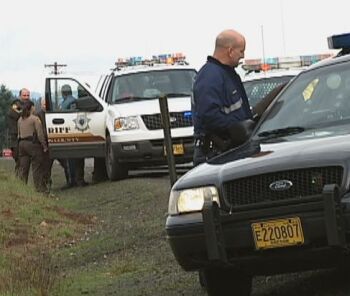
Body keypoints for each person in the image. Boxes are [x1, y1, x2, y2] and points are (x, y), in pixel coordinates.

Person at [192, 29, 255, 166]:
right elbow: (209, 115)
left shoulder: (226, 74)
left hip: (229, 150)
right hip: (215, 154)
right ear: (230, 50)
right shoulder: (210, 76)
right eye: (241, 51)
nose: (243, 55)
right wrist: (239, 128)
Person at [36, 97, 71, 191]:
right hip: (47, 144)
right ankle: (46, 184)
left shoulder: (54, 112)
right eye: (44, 104)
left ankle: (70, 181)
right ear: (41, 105)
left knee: (66, 163)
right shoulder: (38, 115)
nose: (46, 106)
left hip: (57, 142)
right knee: (46, 166)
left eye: (47, 104)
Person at [17, 100, 48, 192]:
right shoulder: (35, 119)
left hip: (22, 144)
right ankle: (39, 189)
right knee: (37, 167)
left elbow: (18, 134)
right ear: (31, 108)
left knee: (23, 168)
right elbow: (40, 134)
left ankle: (21, 189)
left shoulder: (20, 120)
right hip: (32, 144)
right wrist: (44, 145)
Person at [6, 88, 31, 175]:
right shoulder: (15, 106)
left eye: (28, 95)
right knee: (20, 163)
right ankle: (18, 184)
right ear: (20, 96)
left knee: (24, 164)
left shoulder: (29, 106)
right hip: (15, 139)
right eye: (24, 95)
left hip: (24, 139)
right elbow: (21, 115)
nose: (26, 97)